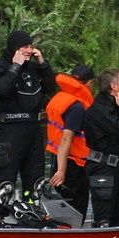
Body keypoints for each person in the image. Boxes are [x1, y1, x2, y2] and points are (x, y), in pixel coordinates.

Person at [0, 30, 57, 200]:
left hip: (32, 129)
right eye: (25, 47)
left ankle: (31, 210)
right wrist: (15, 67)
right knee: (6, 184)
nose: (29, 50)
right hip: (9, 130)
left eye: (31, 46)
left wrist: (43, 64)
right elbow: (2, 90)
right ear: (14, 48)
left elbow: (51, 87)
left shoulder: (33, 68)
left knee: (36, 182)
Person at [83, 68, 119, 228]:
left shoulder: (116, 105)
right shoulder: (99, 109)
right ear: (114, 86)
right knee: (104, 219)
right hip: (102, 168)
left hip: (116, 166)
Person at [45, 65, 95, 221]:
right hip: (73, 165)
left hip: (58, 159)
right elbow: (66, 138)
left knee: (63, 205)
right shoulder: (77, 107)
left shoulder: (61, 98)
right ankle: (74, 235)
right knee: (76, 207)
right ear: (88, 83)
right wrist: (61, 171)